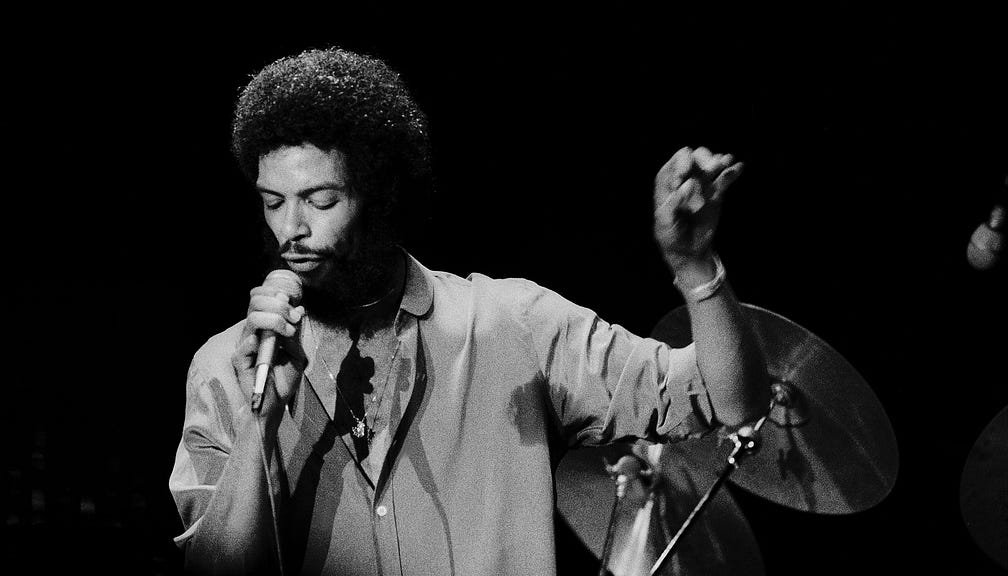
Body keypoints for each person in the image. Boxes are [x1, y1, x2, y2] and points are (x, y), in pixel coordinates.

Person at [169, 47, 769, 575]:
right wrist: (258, 424)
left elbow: (728, 402)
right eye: (273, 202)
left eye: (320, 200)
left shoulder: (514, 323)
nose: (291, 229)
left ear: (380, 196)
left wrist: (695, 268)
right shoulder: (228, 365)